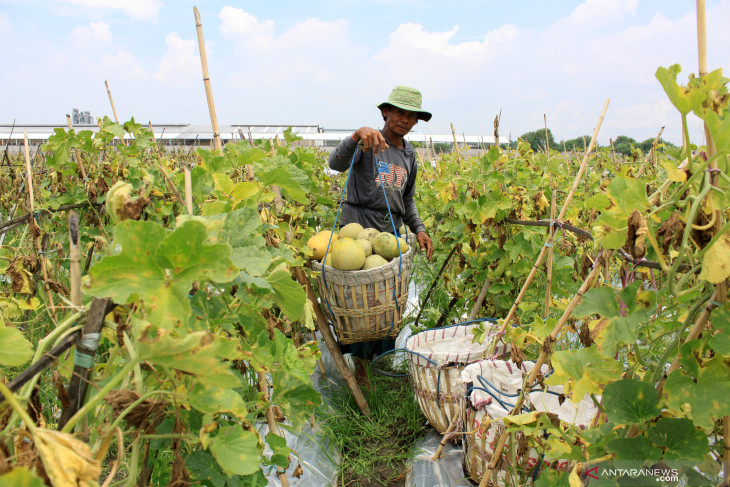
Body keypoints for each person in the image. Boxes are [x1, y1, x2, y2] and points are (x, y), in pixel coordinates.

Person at [328, 85, 434, 388]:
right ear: (385, 112)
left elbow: (407, 199)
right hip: (357, 229)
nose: (405, 119)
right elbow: (335, 163)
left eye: (412, 115)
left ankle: (379, 363)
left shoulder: (409, 154)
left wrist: (419, 229)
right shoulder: (367, 142)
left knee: (386, 307)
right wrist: (355, 136)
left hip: (389, 237)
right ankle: (360, 367)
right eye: (400, 112)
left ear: (416, 121)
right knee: (360, 305)